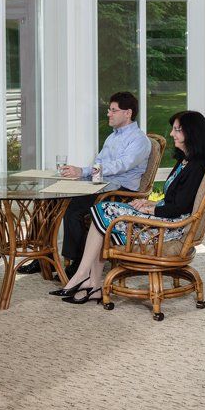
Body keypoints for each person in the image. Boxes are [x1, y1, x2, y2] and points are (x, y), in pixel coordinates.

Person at [52, 110, 205, 305]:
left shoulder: (196, 166)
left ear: (192, 133)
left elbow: (179, 208)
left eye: (177, 130)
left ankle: (83, 277)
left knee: (104, 211)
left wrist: (151, 210)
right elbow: (177, 200)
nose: (172, 134)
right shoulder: (185, 161)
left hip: (168, 228)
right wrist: (150, 203)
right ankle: (91, 283)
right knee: (103, 214)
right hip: (164, 217)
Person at [42, 91, 151, 278]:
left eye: (113, 110)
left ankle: (78, 265)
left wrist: (83, 171)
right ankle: (44, 259)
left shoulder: (139, 140)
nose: (109, 113)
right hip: (101, 185)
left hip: (120, 192)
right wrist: (79, 176)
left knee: (73, 207)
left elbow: (120, 165)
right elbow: (99, 164)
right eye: (109, 110)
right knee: (51, 200)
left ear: (128, 113)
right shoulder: (112, 137)